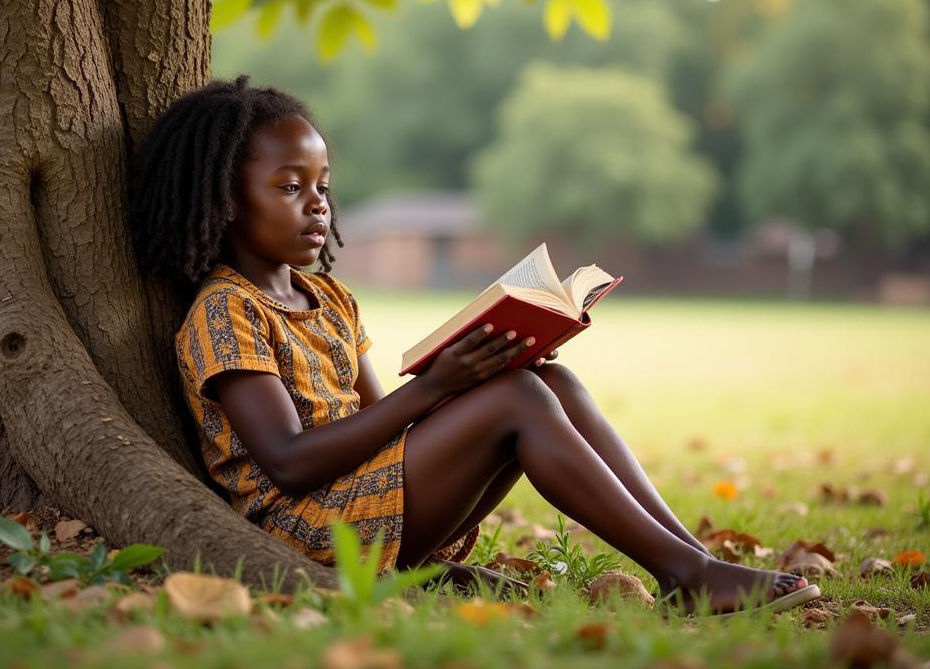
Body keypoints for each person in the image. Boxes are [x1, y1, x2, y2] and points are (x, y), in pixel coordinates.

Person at [129, 75, 820, 616]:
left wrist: (473, 370)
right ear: (222, 201)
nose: (318, 206)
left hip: (365, 500)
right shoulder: (225, 313)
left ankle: (691, 560)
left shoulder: (330, 299)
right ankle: (688, 575)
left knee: (552, 384)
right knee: (517, 399)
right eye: (289, 187)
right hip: (303, 532)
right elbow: (288, 463)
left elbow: (382, 423)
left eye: (324, 187)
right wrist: (439, 390)